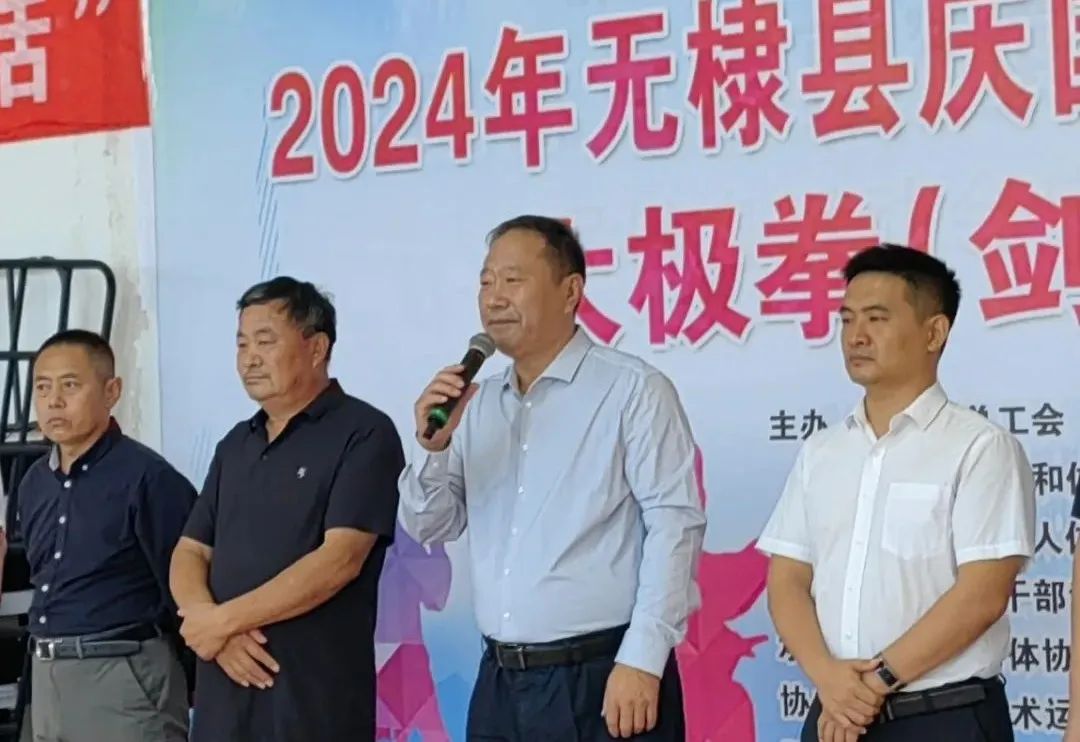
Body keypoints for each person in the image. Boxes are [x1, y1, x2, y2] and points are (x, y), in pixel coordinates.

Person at [398, 215, 706, 741]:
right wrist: (433, 449)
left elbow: (674, 525)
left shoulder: (632, 390)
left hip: (602, 674)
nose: (494, 297)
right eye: (486, 281)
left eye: (512, 280)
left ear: (570, 292)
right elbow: (431, 526)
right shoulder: (478, 404)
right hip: (500, 682)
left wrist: (643, 658)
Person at [758, 244, 1035, 742]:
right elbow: (787, 579)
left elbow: (982, 595)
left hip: (943, 716)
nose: (856, 336)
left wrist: (874, 683)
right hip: (834, 712)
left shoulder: (979, 447)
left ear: (934, 332)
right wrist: (829, 680)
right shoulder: (822, 451)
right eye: (847, 320)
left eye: (877, 318)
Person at [169, 276, 404, 742]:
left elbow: (339, 560)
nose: (249, 358)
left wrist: (224, 622)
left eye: (265, 341)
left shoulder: (364, 433)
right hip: (224, 699)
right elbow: (191, 550)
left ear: (316, 348)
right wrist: (208, 624)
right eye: (241, 343)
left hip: (312, 701)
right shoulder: (236, 444)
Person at [15, 329, 195, 742]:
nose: (53, 401)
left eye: (70, 385)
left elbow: (187, 592)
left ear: (111, 391)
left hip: (124, 673)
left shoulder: (148, 478)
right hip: (47, 675)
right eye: (42, 387)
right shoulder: (34, 482)